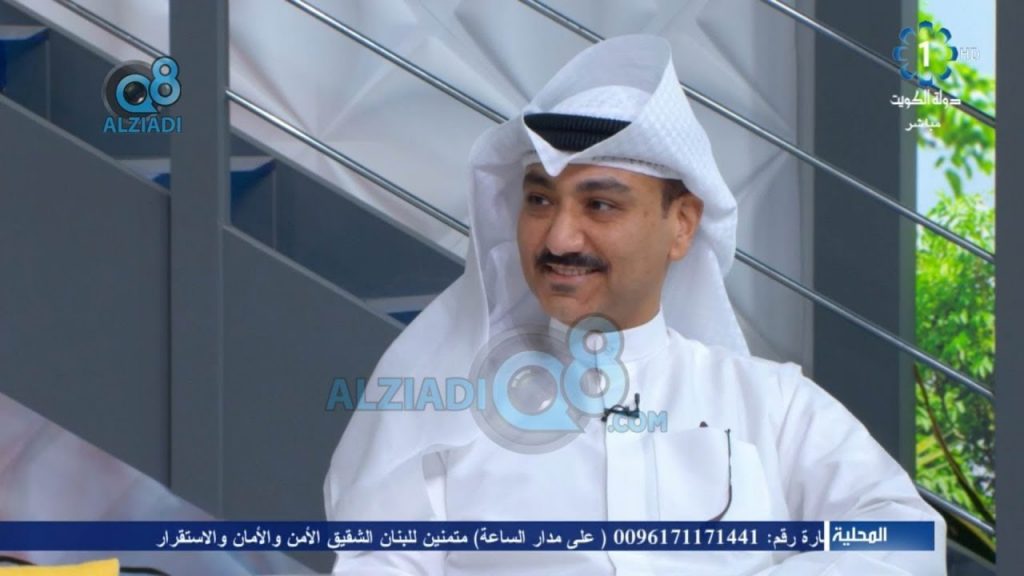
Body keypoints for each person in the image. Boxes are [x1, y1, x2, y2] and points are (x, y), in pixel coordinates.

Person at [324, 35, 946, 575]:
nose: (559, 238)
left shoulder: (770, 405)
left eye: (600, 205)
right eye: (540, 201)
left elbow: (906, 537)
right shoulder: (445, 413)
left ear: (682, 226)